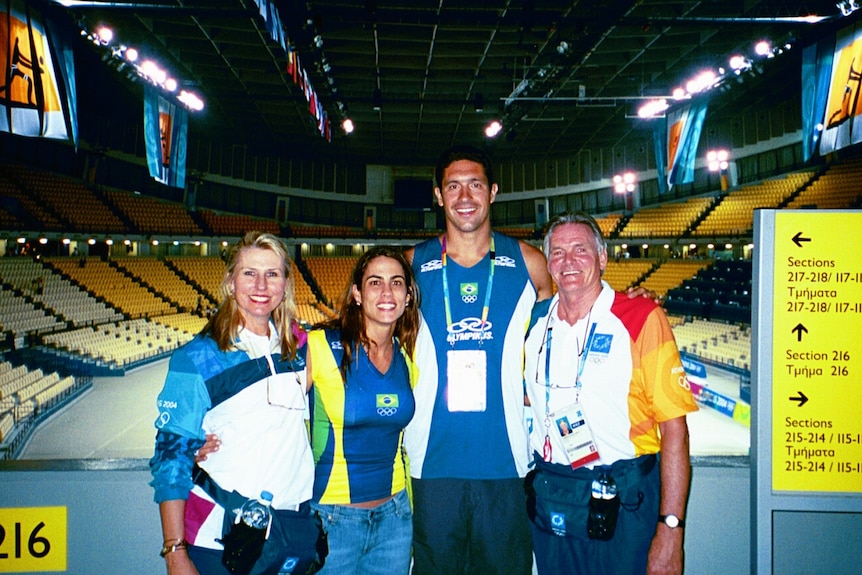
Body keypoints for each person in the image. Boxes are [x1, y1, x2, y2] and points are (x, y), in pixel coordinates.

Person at [403, 145, 554, 575]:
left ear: (493, 192)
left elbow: (570, 316)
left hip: (506, 464)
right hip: (431, 463)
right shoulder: (412, 266)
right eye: (453, 186)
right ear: (438, 196)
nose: (464, 196)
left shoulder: (529, 263)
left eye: (474, 185)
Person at [523, 212, 698, 575]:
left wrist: (671, 528)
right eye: (557, 252)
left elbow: (675, 432)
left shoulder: (642, 317)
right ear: (548, 263)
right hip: (554, 496)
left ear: (602, 258)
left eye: (580, 250)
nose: (567, 261)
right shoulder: (533, 322)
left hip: (624, 500)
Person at [149, 231, 323, 575]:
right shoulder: (197, 357)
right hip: (220, 539)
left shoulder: (299, 347)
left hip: (289, 533)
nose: (261, 285)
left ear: (285, 285)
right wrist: (174, 551)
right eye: (249, 273)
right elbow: (170, 457)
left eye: (272, 274)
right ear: (230, 282)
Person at [306, 246, 421, 574]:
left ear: (408, 296)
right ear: (357, 293)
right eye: (375, 282)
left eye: (397, 283)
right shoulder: (320, 346)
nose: (387, 292)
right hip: (332, 521)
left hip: (395, 521)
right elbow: (264, 397)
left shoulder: (407, 359)